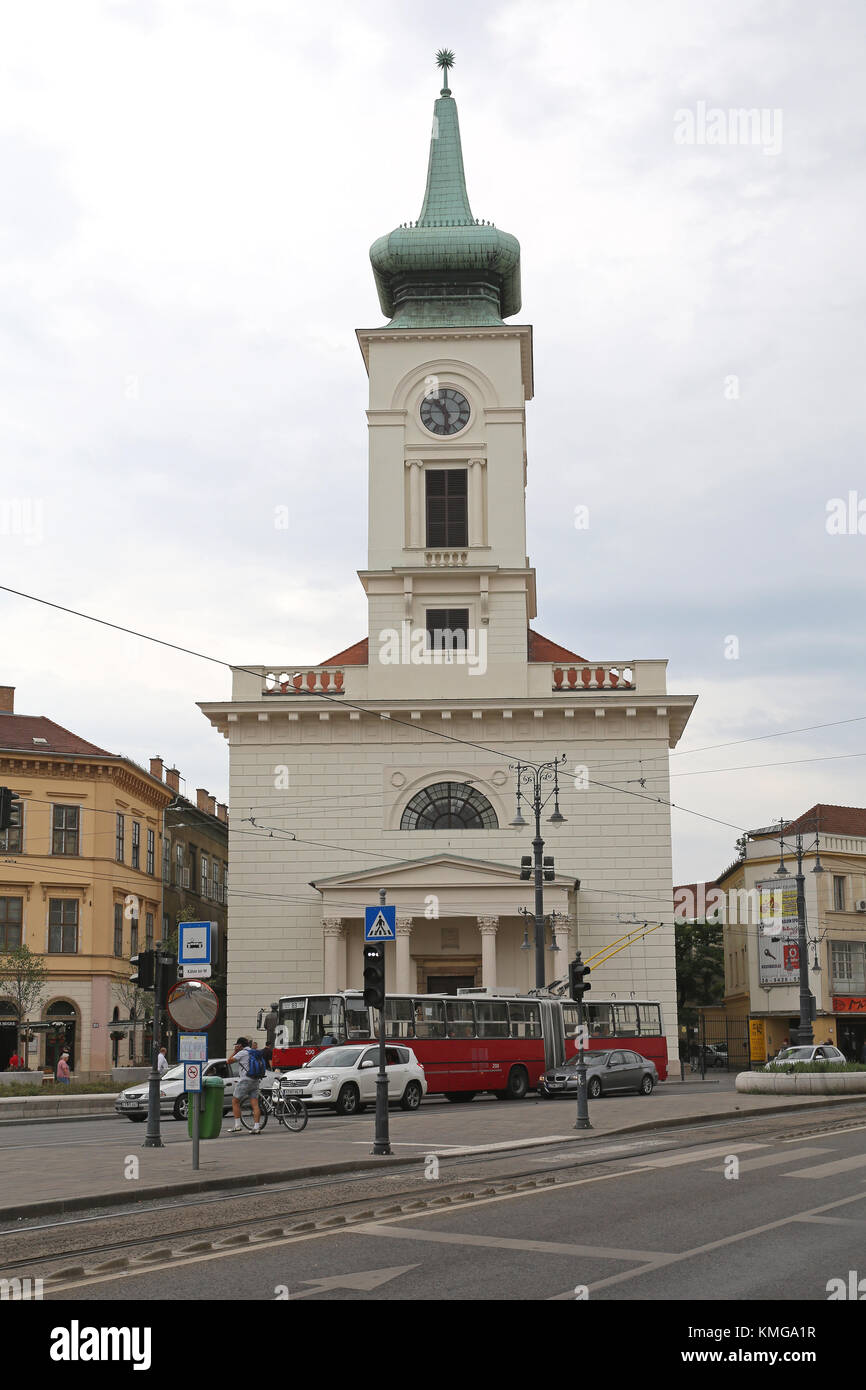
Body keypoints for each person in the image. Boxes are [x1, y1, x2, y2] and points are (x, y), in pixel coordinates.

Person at [228, 1036, 262, 1134]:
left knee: (235, 1101)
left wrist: (235, 1051)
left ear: (240, 1045)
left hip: (245, 1080)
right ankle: (256, 1127)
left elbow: (228, 1061)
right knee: (255, 1104)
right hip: (255, 1080)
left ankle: (237, 1125)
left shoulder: (242, 1053)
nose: (236, 1046)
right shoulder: (254, 1052)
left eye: (237, 1045)